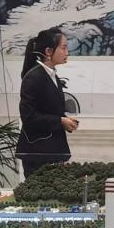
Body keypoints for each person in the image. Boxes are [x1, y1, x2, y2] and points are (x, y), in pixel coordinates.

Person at [15, 27, 79, 177]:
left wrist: (65, 121)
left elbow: (49, 110)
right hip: (38, 152)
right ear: (49, 51)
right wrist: (60, 121)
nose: (67, 52)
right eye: (63, 48)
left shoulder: (52, 75)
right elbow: (29, 117)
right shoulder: (33, 77)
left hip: (51, 150)